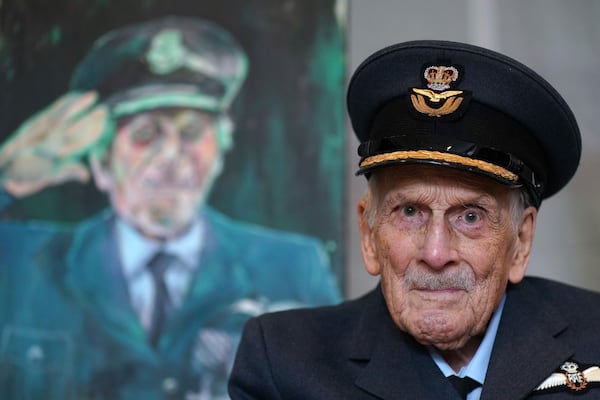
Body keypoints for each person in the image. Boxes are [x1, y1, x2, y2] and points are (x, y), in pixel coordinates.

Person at [228, 40, 600, 399]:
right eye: (409, 212)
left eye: (470, 216)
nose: (436, 253)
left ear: (521, 241)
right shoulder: (284, 363)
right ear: (369, 234)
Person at [0, 16, 340, 400]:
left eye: (192, 132)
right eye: (145, 134)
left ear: (221, 151)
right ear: (102, 161)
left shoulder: (292, 266)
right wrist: (6, 179)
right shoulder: (20, 262)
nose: (172, 157)